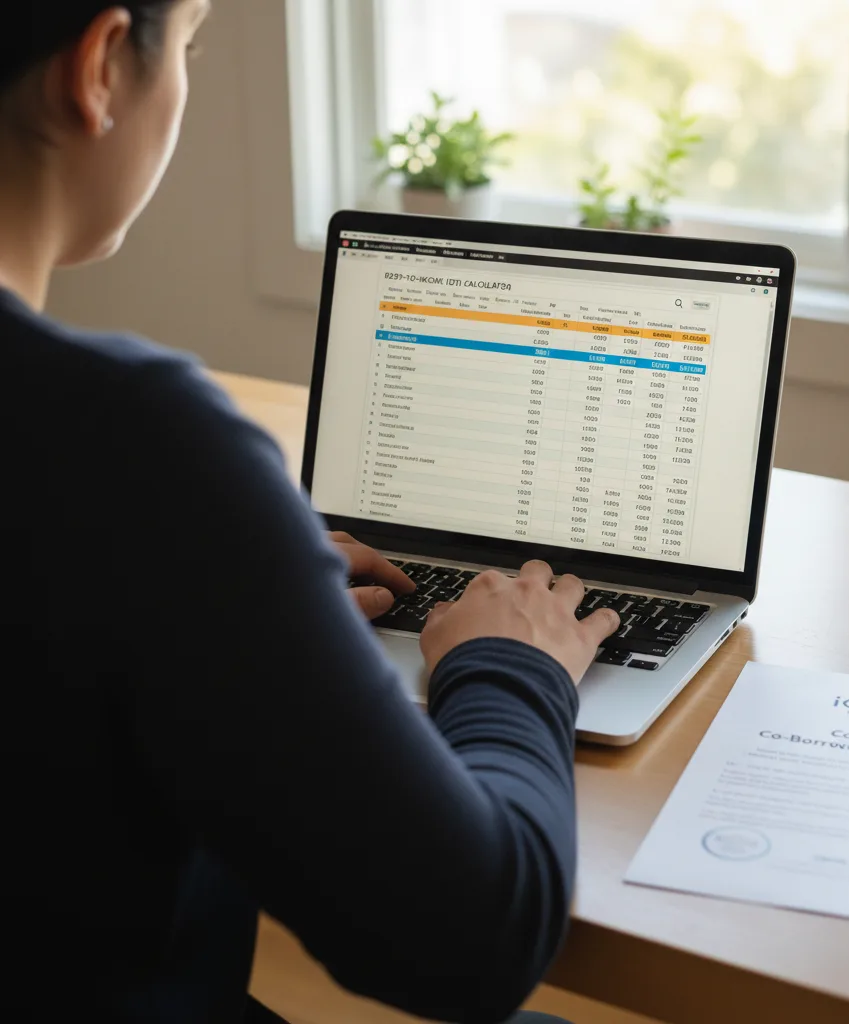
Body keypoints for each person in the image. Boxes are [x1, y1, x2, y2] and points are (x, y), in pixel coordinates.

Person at [0, 3, 621, 1022]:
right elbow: (474, 938)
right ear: (102, 65)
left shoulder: (128, 490)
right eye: (189, 47)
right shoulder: (135, 447)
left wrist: (236, 594)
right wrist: (515, 667)